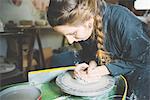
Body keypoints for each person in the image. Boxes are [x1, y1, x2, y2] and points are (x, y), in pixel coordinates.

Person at [47, 0, 150, 99]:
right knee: (57, 59)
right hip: (117, 71)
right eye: (65, 35)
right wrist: (91, 65)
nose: (70, 41)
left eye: (72, 33)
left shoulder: (124, 22)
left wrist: (102, 70)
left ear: (89, 21)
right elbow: (93, 52)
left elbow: (142, 59)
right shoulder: (84, 30)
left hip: (142, 75)